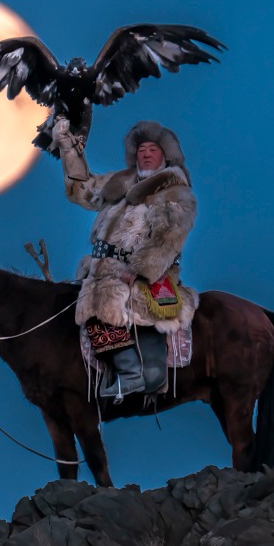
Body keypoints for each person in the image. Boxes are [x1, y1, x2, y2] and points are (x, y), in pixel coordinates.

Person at [51, 117, 198, 400]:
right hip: (101, 267)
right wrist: (68, 148)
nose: (145, 153)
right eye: (141, 148)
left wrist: (141, 270)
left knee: (98, 302)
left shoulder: (173, 191)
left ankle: (131, 374)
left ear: (165, 155)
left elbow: (169, 237)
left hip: (138, 272)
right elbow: (83, 187)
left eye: (153, 148)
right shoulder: (118, 184)